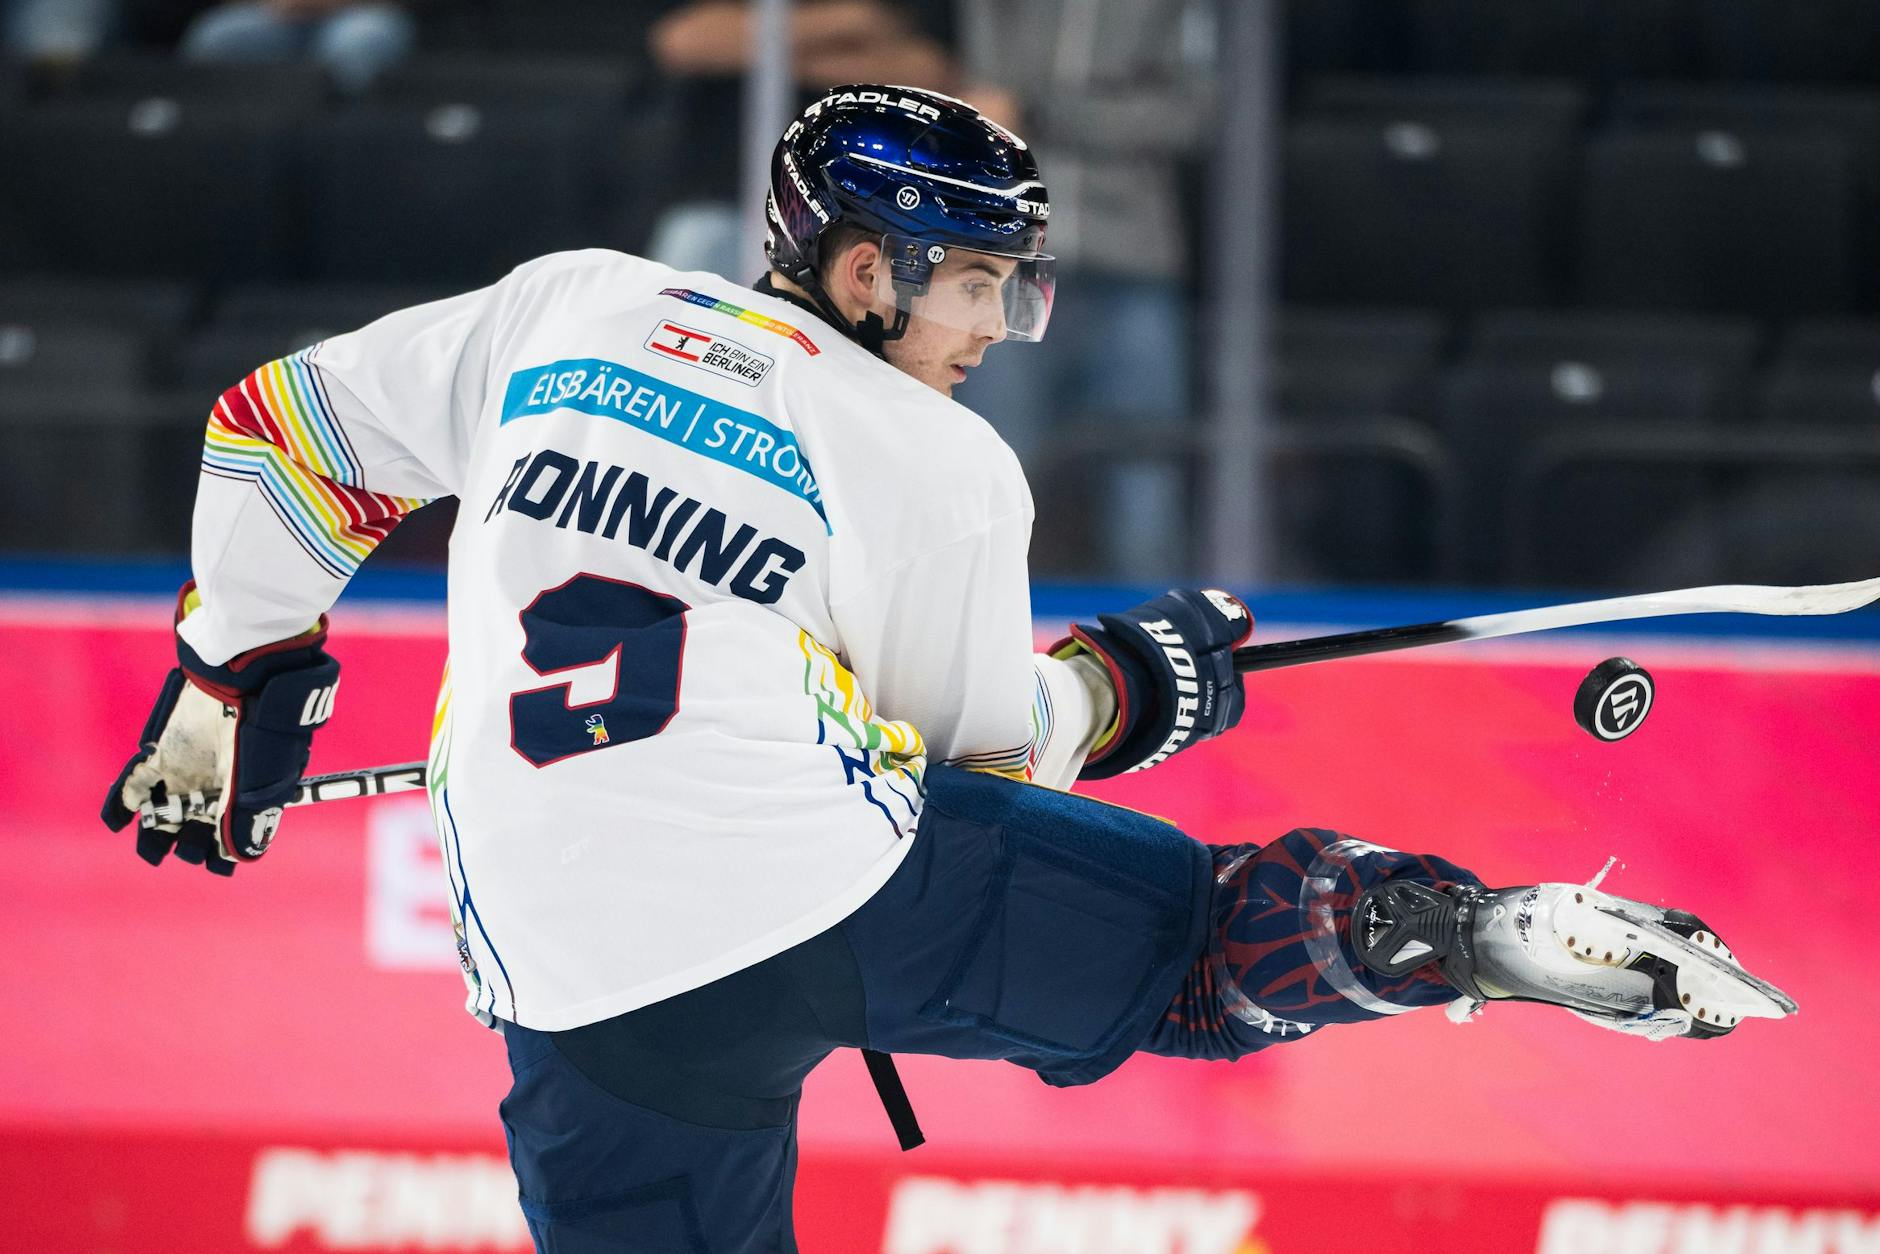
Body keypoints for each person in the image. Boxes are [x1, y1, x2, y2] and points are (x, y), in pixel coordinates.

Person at [101, 84, 1794, 1253]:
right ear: (864, 267)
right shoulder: (937, 459)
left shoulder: (568, 306)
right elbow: (981, 768)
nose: (995, 324)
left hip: (571, 971)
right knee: (1205, 947)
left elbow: (281, 436)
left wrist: (227, 688)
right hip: (817, 881)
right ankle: (1460, 929)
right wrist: (1137, 686)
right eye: (978, 281)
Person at [177, 0, 416, 95]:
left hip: (363, 10)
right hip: (276, 14)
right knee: (216, 39)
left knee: (359, 45)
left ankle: (340, 154)